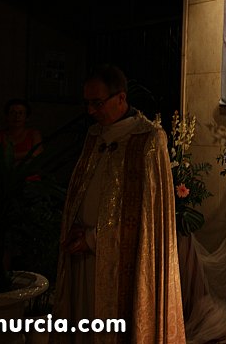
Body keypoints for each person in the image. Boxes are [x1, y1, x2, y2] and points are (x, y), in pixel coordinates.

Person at [51, 64, 185, 343]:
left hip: (119, 258)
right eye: (87, 103)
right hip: (83, 254)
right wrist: (76, 226)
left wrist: (95, 238)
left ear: (121, 98)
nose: (91, 111)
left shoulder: (148, 139)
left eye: (97, 103)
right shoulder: (94, 136)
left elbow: (144, 217)